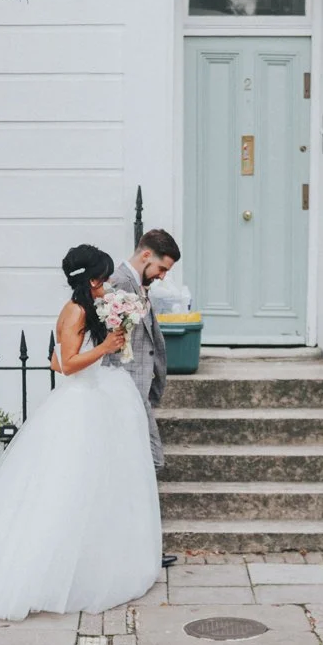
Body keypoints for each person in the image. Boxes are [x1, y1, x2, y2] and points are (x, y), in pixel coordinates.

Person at [0, 245, 162, 622]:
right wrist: (107, 348)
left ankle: (82, 564)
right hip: (78, 406)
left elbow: (53, 357)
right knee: (63, 490)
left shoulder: (85, 309)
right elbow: (65, 365)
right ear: (92, 280)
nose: (109, 283)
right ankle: (41, 573)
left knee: (90, 491)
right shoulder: (76, 311)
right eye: (105, 277)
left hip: (93, 398)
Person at [105, 229, 182, 568]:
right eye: (162, 269)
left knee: (145, 463)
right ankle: (132, 546)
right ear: (146, 255)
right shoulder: (121, 284)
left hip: (137, 391)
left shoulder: (138, 286)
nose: (164, 277)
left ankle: (139, 546)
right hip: (125, 390)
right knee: (147, 461)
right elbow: (110, 345)